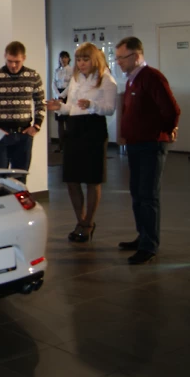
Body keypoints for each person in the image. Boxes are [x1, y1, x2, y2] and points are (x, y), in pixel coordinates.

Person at [114, 37, 180, 265]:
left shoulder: (152, 77)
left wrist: (165, 131)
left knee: (148, 194)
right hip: (135, 144)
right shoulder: (132, 80)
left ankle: (149, 245)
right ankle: (142, 235)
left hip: (151, 145)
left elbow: (171, 109)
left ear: (135, 56)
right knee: (137, 193)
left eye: (121, 58)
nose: (118, 62)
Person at [47, 43, 117, 243]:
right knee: (72, 178)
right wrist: (59, 107)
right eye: (79, 59)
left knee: (92, 179)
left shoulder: (106, 79)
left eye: (85, 59)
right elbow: (71, 107)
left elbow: (110, 108)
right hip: (74, 128)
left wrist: (92, 105)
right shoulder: (75, 79)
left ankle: (88, 223)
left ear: (94, 60)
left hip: (93, 129)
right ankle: (80, 220)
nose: (82, 63)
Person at [0, 41, 46, 182]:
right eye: (10, 61)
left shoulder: (33, 76)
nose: (13, 65)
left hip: (23, 135)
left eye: (17, 62)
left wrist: (36, 126)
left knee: (20, 178)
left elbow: (40, 103)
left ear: (24, 58)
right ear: (5, 56)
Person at [53, 51, 73, 152]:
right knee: (60, 122)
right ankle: (60, 145)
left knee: (68, 121)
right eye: (62, 57)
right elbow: (53, 84)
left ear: (68, 59)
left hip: (67, 95)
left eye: (65, 57)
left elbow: (71, 85)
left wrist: (62, 95)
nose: (63, 59)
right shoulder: (57, 70)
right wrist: (58, 95)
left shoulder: (72, 70)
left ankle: (69, 145)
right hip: (58, 95)